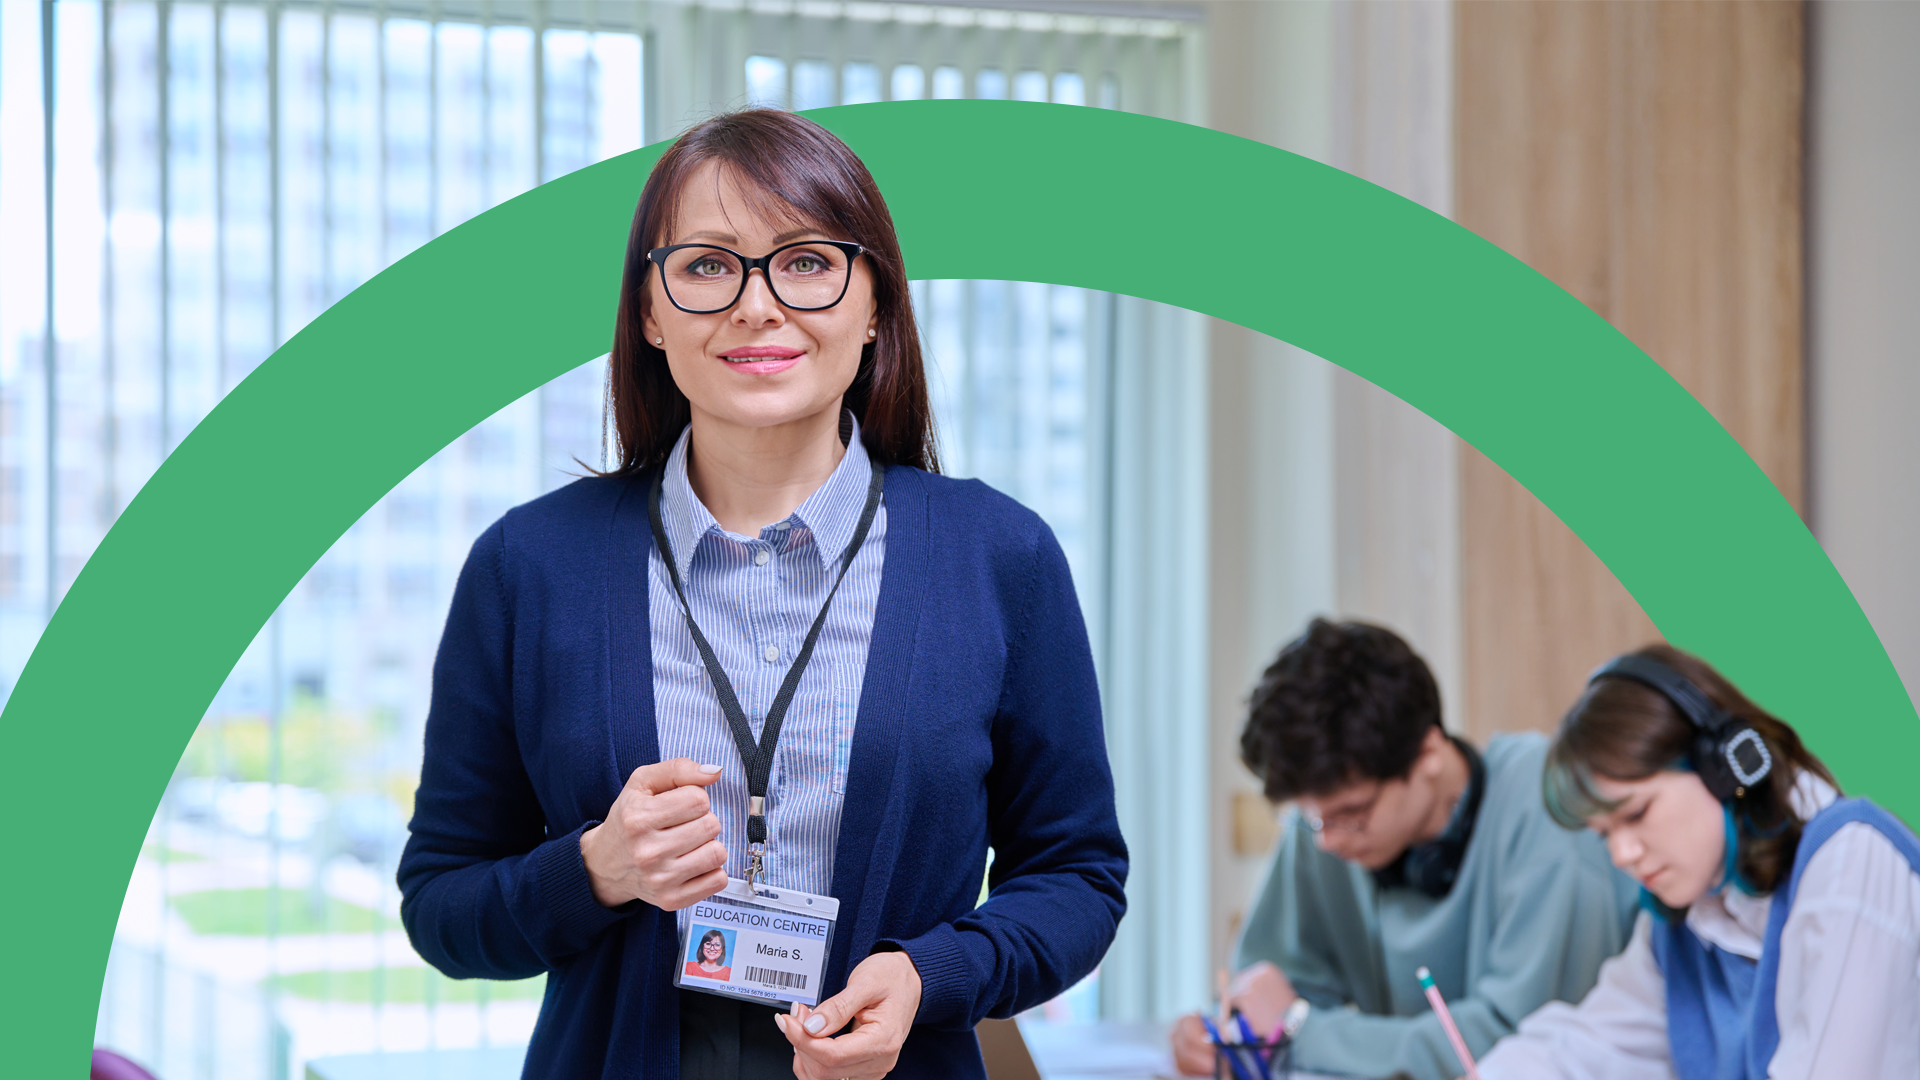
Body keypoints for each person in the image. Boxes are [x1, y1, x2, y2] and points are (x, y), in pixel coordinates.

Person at [396, 108, 1127, 1080]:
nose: (756, 305)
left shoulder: (1000, 557)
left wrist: (931, 974)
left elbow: (1079, 878)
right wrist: (596, 868)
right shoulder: (527, 566)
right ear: (650, 312)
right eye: (708, 265)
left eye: (807, 261)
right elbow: (441, 906)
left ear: (875, 304)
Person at [1172, 618, 1638, 1080]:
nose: (1327, 841)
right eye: (1309, 817)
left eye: (1353, 812)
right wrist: (1230, 1032)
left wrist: (1300, 1031)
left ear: (1428, 753)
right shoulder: (1324, 827)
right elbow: (1271, 995)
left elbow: (1523, 1046)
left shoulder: (1547, 806)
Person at [1476, 643, 1920, 1080]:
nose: (1621, 855)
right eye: (1604, 834)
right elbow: (1589, 1047)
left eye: (1636, 813)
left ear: (1721, 768)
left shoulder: (1853, 864)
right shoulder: (1685, 918)